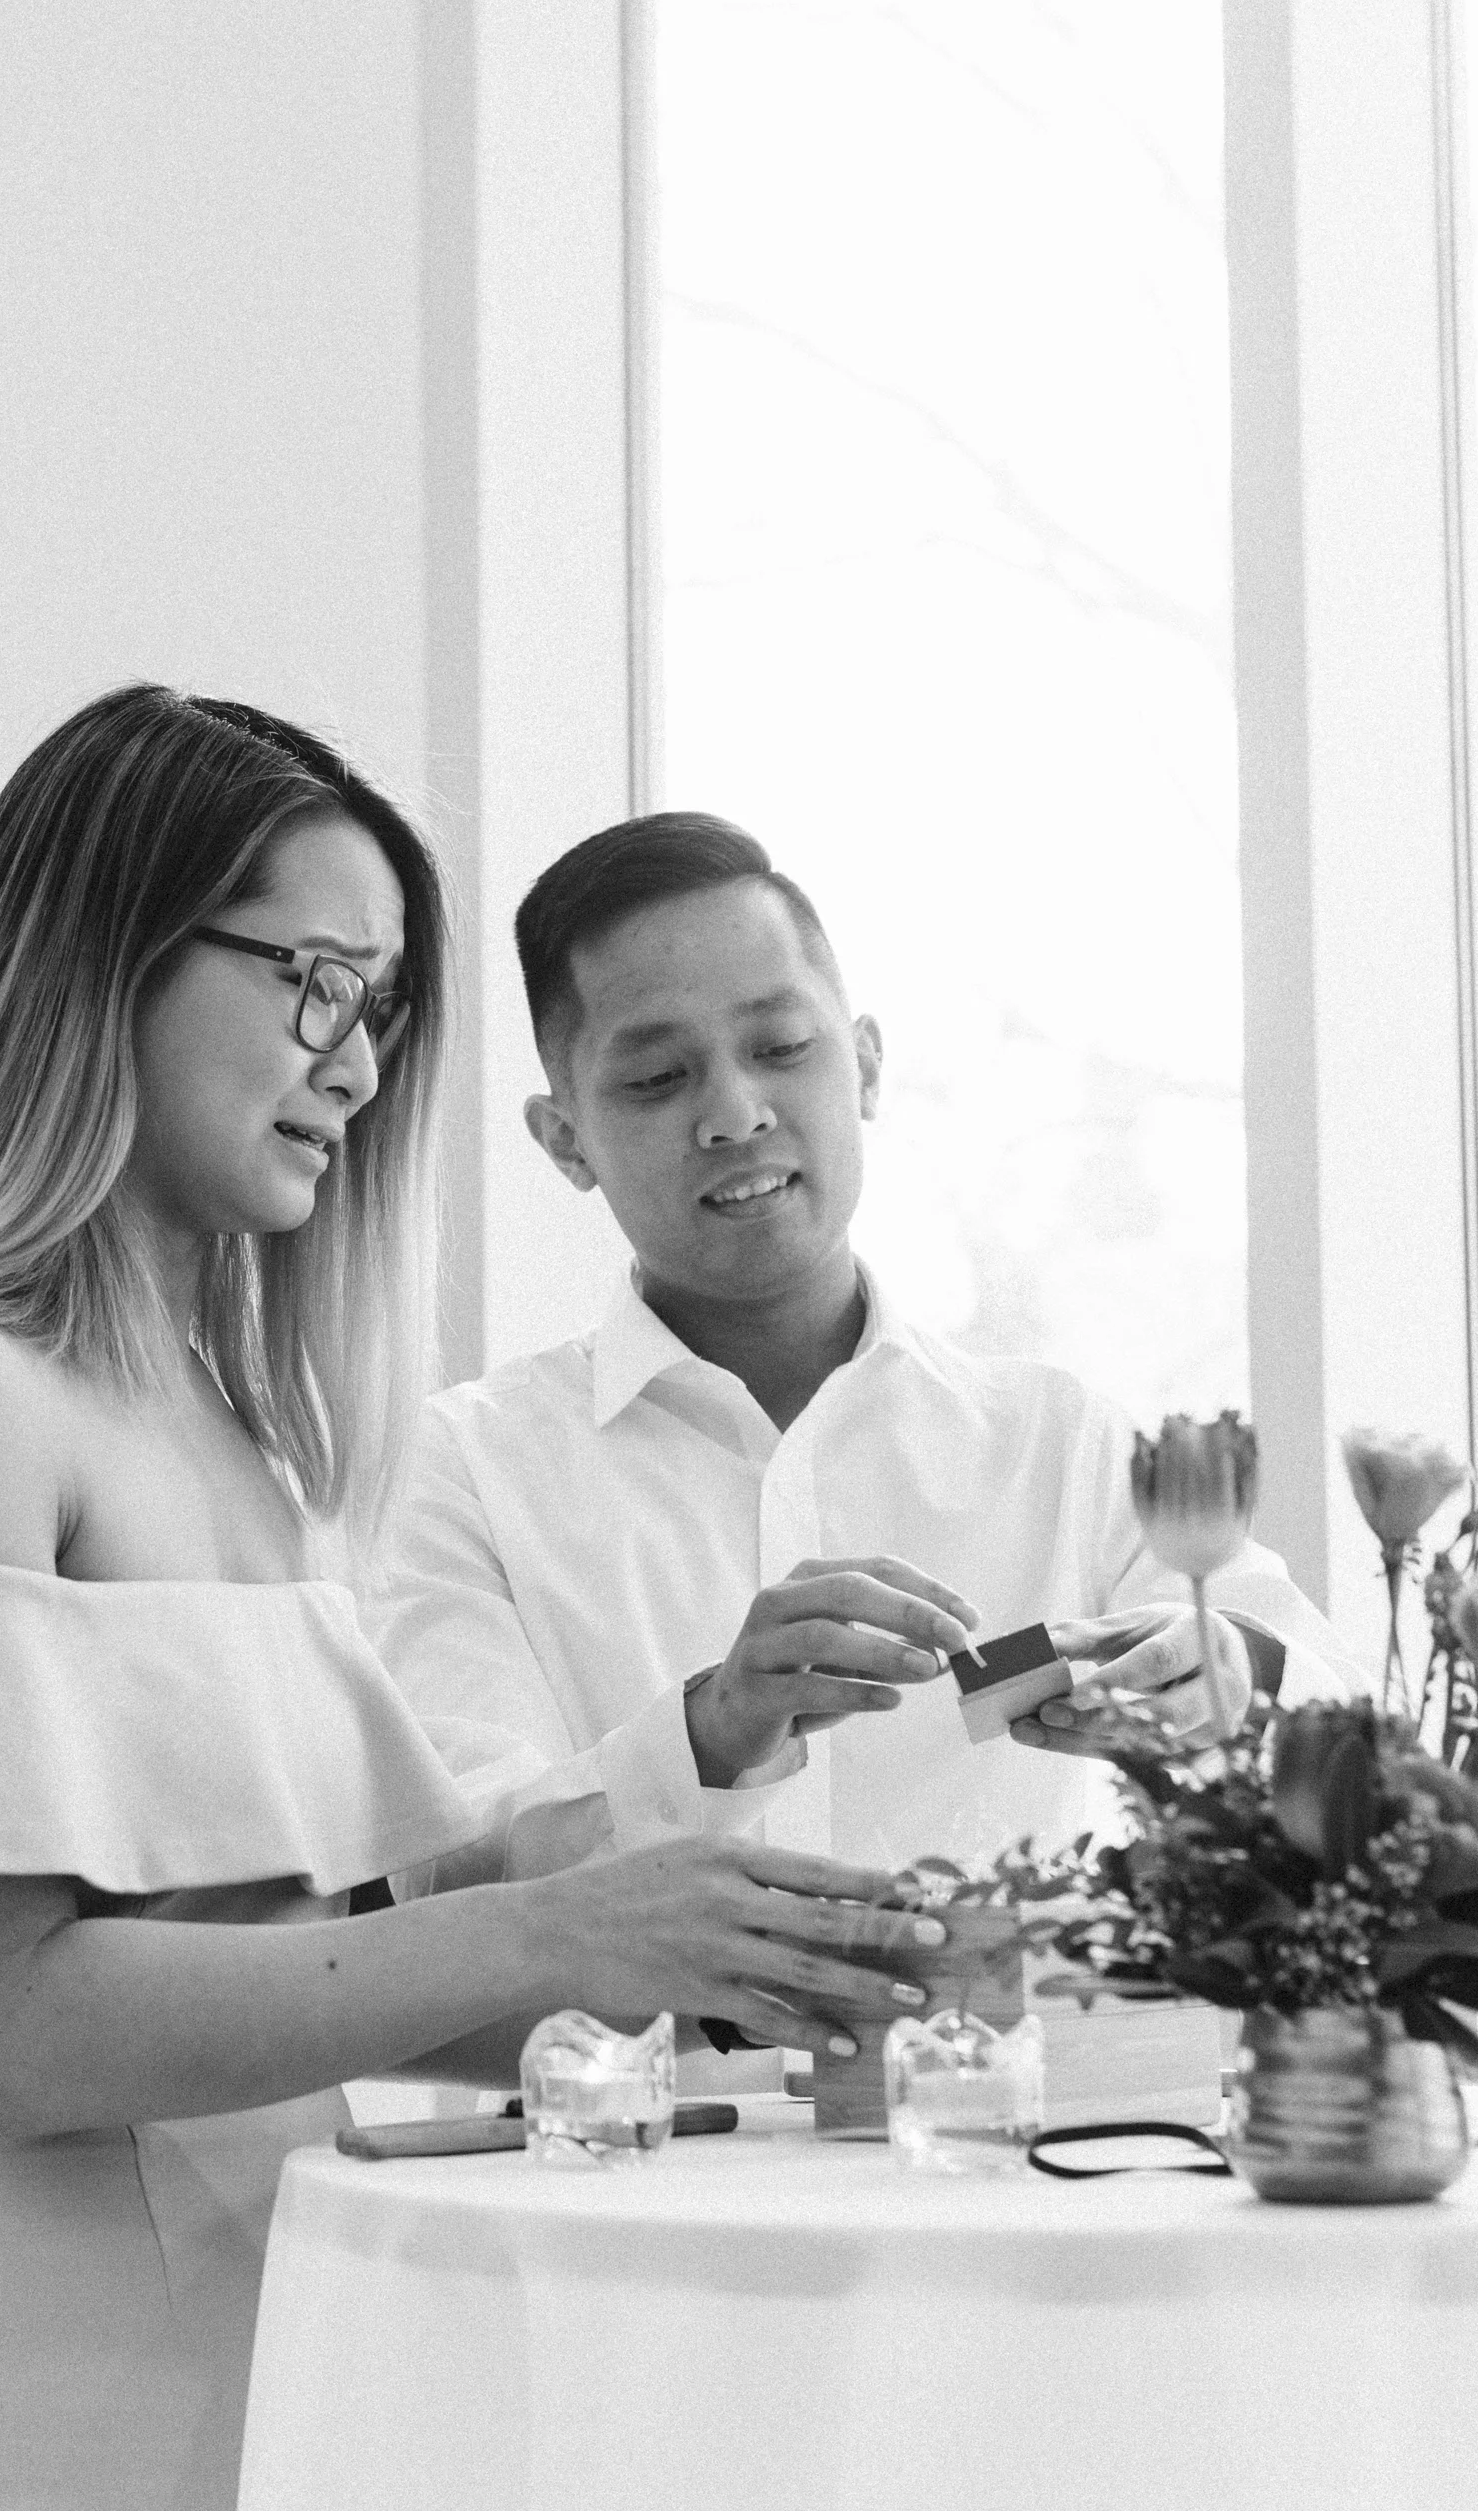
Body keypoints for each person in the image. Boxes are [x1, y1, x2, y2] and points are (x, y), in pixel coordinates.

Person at [0, 693, 949, 2511]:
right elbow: (27, 2037)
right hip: (66, 2503)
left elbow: (339, 1939)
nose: (355, 1065)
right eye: (310, 982)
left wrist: (753, 1967)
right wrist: (570, 1939)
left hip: (318, 2423)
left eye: (381, 1013)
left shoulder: (233, 1448)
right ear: (96, 954)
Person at [370, 810, 1358, 1929]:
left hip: (1027, 2099)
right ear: (565, 1143)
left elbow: (1354, 1744)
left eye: (782, 1049)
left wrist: (1225, 1671)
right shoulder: (466, 1471)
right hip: (632, 2105)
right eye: (657, 1078)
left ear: (869, 1067)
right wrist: (709, 1729)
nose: (735, 1113)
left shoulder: (1059, 1440)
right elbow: (445, 1879)